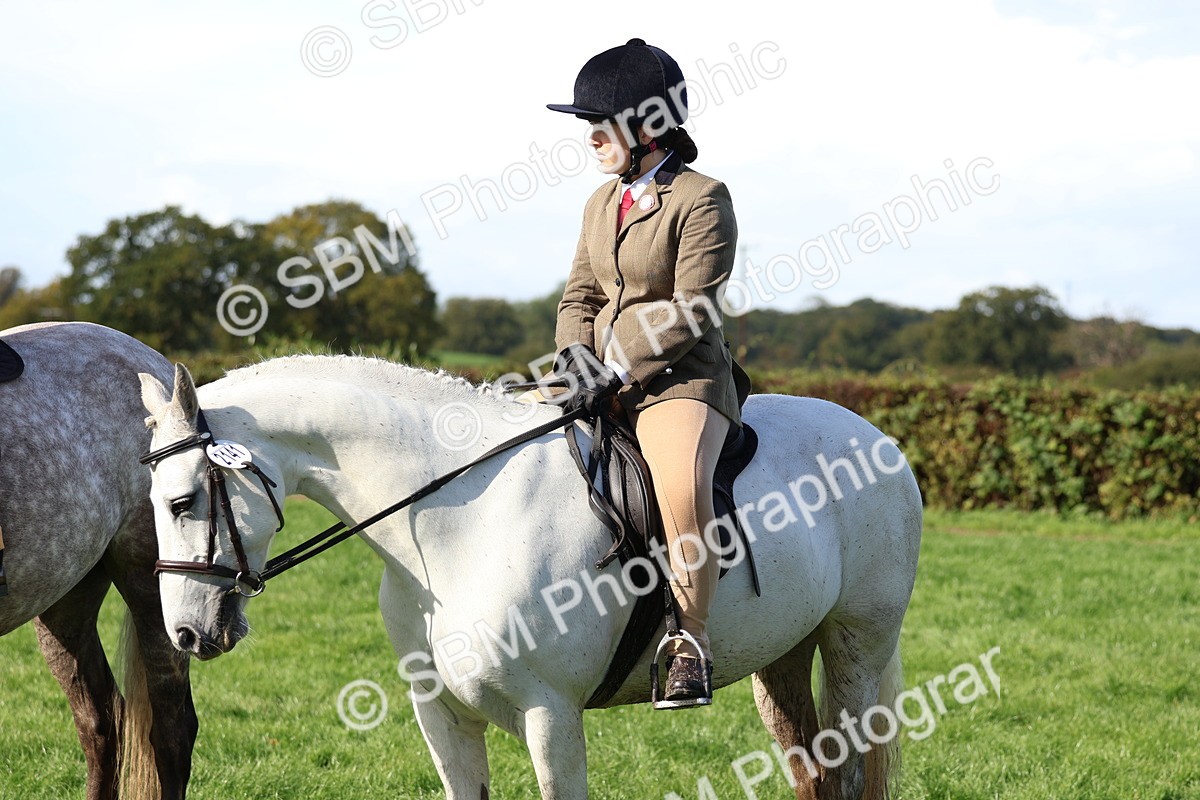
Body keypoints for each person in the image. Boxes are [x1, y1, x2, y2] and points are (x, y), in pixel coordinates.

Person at [546, 38, 744, 709]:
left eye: (602, 125)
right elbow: (580, 296)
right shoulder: (602, 204)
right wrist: (574, 360)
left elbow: (693, 308)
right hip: (595, 374)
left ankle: (690, 643)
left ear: (649, 127)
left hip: (678, 381)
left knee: (681, 488)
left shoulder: (703, 197)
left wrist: (613, 362)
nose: (590, 138)